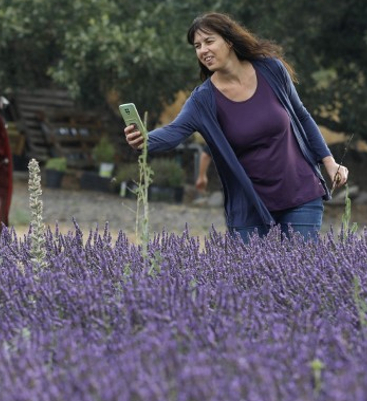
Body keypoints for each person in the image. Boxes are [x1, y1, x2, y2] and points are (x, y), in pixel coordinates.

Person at [125, 12, 349, 242]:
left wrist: (329, 162)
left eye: (209, 41)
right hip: (249, 207)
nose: (203, 50)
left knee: (299, 273)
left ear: (229, 41)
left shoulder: (271, 70)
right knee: (251, 277)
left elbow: (301, 116)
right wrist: (144, 139)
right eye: (197, 46)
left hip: (300, 192)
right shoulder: (203, 100)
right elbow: (173, 132)